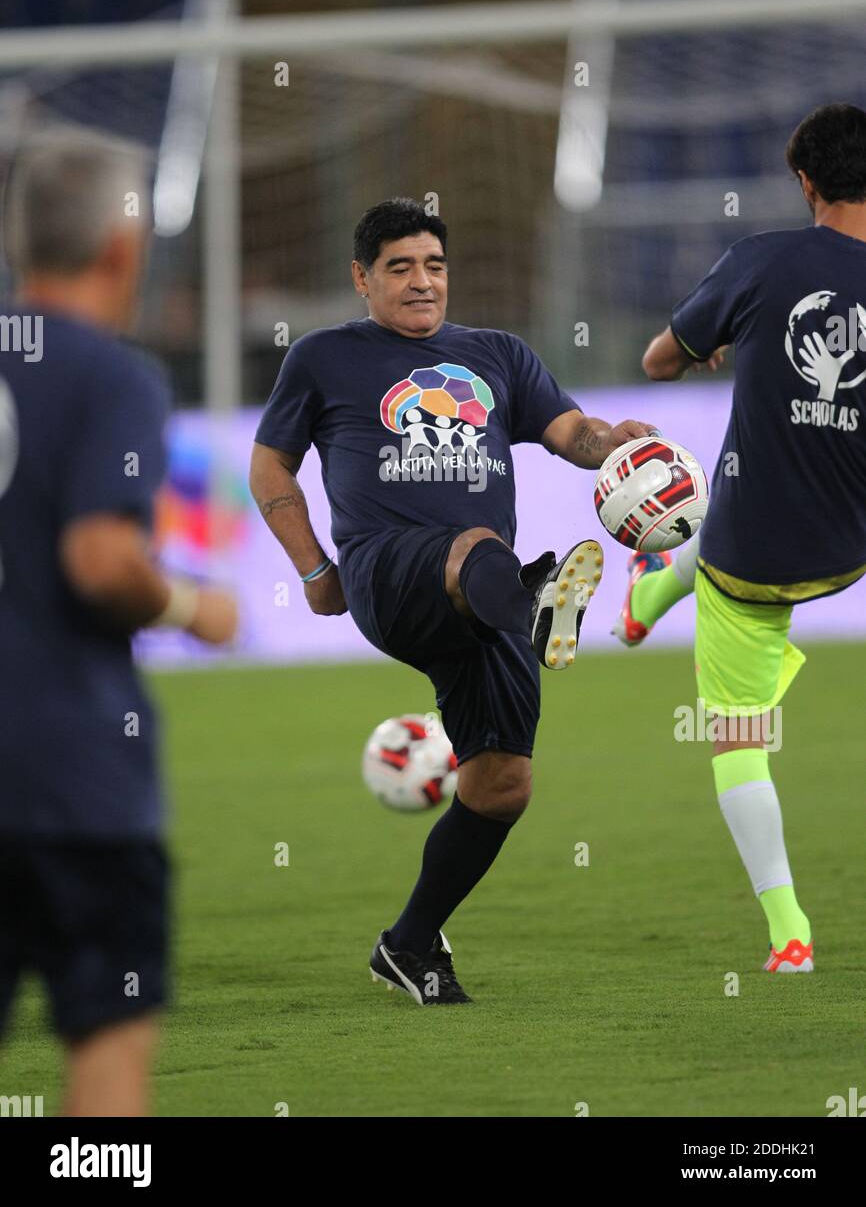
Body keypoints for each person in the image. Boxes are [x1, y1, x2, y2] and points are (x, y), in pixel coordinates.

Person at [250, 196, 654, 1004]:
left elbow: (570, 433)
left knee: (502, 784)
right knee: (474, 546)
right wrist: (313, 570)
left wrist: (615, 444)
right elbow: (270, 468)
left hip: (485, 599)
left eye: (433, 265)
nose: (422, 281)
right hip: (390, 573)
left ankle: (407, 945)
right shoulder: (324, 357)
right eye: (400, 267)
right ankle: (539, 598)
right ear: (361, 278)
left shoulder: (497, 353)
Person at [0, 129, 236, 1114]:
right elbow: (99, 558)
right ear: (121, 249)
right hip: (73, 782)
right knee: (103, 1068)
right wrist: (192, 605)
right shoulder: (110, 377)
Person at [616, 103, 866, 973]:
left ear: (806, 183)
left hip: (754, 557)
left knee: (739, 737)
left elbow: (657, 360)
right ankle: (649, 597)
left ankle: (789, 928)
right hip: (851, 548)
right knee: (724, 515)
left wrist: (705, 341)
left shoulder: (760, 260)